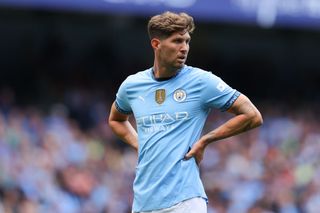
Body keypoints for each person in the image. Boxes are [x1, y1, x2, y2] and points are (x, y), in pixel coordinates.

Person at [108, 11, 263, 213]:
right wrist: (140, 144)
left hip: (185, 201)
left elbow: (252, 115)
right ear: (156, 44)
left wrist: (205, 140)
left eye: (187, 41)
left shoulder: (201, 81)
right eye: (177, 41)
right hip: (143, 203)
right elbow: (116, 120)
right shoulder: (132, 86)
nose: (184, 48)